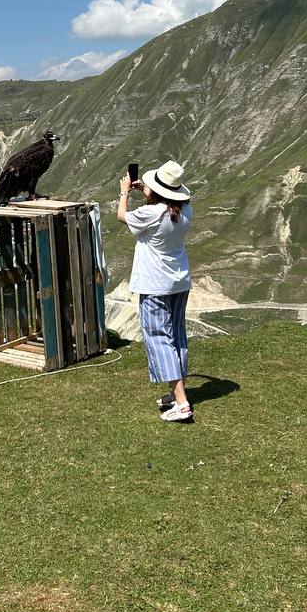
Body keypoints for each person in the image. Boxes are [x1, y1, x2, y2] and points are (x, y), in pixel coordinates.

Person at [117, 160, 194, 423]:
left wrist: (125, 191)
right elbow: (167, 204)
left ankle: (182, 403)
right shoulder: (186, 211)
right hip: (179, 281)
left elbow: (122, 216)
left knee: (159, 339)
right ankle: (177, 393)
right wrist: (148, 192)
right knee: (176, 336)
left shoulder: (151, 214)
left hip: (154, 284)